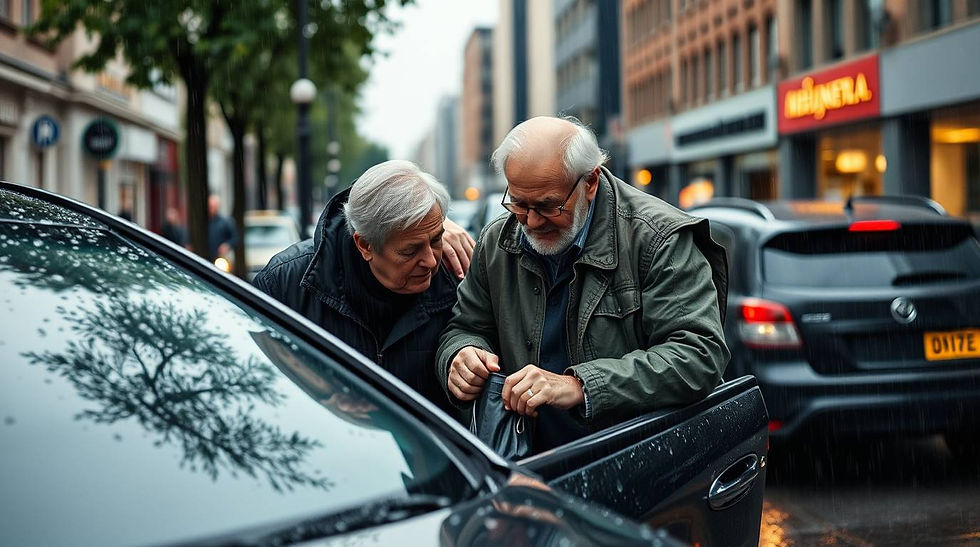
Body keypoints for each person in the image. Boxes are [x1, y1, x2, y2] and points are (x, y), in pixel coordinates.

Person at [436, 116, 730, 454]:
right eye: (517, 203)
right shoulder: (497, 241)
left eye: (547, 205)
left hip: (631, 464)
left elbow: (698, 355)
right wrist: (460, 355)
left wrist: (581, 385)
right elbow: (464, 326)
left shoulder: (656, 239)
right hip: (527, 466)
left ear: (589, 182)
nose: (530, 221)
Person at [252, 160, 476, 415]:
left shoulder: (458, 273)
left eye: (436, 239)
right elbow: (259, 382)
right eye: (410, 250)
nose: (430, 260)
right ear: (365, 245)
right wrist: (318, 399)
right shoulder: (283, 284)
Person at [207, 194, 238, 261]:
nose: (212, 209)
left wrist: (227, 245)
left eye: (214, 206)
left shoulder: (226, 222)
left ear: (218, 206)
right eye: (210, 206)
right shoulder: (204, 223)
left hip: (221, 258)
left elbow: (235, 238)